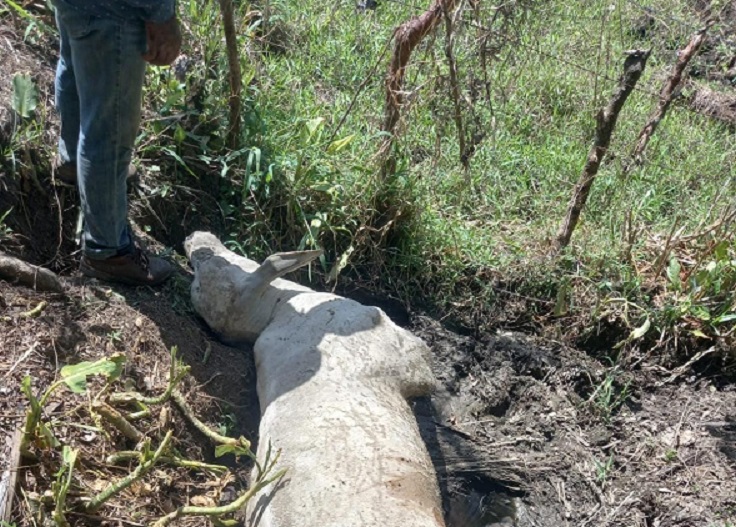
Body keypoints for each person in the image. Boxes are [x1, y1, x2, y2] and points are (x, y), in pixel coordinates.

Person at [51, 0, 182, 285]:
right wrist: (161, 14)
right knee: (110, 130)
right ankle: (108, 252)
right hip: (115, 10)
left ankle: (74, 163)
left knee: (75, 62)